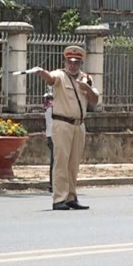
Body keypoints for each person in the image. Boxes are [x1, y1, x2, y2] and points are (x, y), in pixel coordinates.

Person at [33, 45, 99, 210]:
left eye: (76, 63)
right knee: (61, 161)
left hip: (79, 124)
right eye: (70, 62)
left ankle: (71, 196)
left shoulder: (86, 78)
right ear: (66, 62)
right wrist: (42, 72)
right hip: (62, 124)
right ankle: (59, 198)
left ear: (80, 63)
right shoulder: (60, 75)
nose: (72, 65)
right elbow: (50, 79)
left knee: (74, 163)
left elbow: (95, 100)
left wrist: (87, 88)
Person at [43, 87, 54, 193]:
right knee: (55, 161)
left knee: (54, 160)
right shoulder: (52, 108)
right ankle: (53, 184)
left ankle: (53, 184)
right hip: (54, 134)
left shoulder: (48, 107)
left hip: (50, 134)